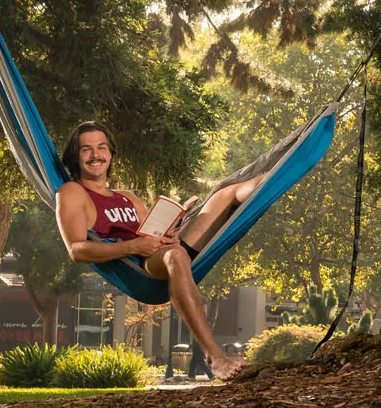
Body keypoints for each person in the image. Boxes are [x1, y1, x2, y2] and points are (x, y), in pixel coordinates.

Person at [53, 121, 259, 381]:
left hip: (161, 252)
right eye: (87, 149)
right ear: (76, 156)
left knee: (226, 194)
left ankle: (280, 170)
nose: (96, 155)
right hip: (140, 268)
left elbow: (151, 231)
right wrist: (134, 246)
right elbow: (76, 250)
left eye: (102, 147)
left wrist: (171, 232)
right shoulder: (72, 192)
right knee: (176, 255)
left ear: (111, 154)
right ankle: (214, 356)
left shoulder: (128, 197)